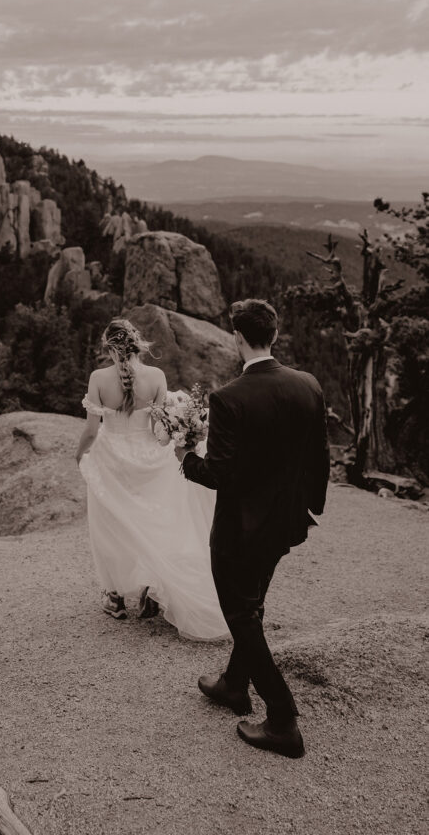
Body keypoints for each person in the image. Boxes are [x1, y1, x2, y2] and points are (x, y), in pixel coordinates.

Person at [178, 298, 330, 759]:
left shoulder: (229, 398)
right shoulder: (308, 384)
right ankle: (232, 684)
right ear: (275, 335)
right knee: (254, 602)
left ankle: (282, 718)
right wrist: (308, 509)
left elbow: (218, 475)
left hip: (240, 531)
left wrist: (185, 458)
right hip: (284, 523)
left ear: (237, 338)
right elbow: (320, 457)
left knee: (240, 615)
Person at [76, 318, 228, 640]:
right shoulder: (157, 376)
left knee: (111, 525)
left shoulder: (98, 379)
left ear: (108, 346)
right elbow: (160, 428)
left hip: (112, 460)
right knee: (151, 524)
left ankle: (115, 597)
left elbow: (91, 430)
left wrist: (80, 455)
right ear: (136, 343)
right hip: (151, 460)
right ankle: (148, 590)